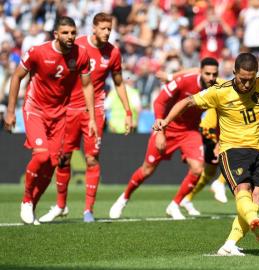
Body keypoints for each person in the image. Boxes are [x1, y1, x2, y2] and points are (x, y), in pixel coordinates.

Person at [153, 52, 259, 255]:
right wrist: (166, 122)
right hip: (232, 149)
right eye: (242, 79)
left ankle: (230, 244)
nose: (247, 85)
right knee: (244, 188)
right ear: (234, 73)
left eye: (251, 80)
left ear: (257, 75)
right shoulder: (219, 91)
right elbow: (187, 102)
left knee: (258, 194)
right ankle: (252, 221)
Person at [39, 13, 134, 223]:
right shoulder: (77, 45)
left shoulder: (113, 53)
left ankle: (88, 210)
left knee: (91, 158)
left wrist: (128, 112)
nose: (107, 32)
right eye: (103, 28)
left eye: (110, 29)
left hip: (94, 111)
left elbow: (119, 83)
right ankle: (61, 206)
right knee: (63, 159)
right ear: (93, 28)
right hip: (68, 110)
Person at [4, 16, 97, 225]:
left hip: (59, 114)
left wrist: (92, 116)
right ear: (56, 34)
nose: (70, 36)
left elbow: (87, 85)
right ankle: (26, 200)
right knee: (42, 156)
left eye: (73, 33)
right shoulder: (38, 52)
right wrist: (10, 112)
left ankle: (33, 207)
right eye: (65, 33)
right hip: (35, 109)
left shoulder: (81, 54)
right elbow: (17, 76)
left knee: (53, 164)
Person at [109, 57, 220, 220]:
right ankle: (123, 199)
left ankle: (174, 205)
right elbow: (159, 102)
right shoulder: (184, 81)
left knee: (197, 168)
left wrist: (218, 140)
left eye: (214, 74)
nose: (211, 78)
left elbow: (220, 115)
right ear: (200, 72)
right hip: (167, 127)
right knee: (147, 170)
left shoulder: (216, 90)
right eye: (207, 74)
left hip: (189, 132)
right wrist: (160, 131)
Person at [180, 108, 228, 216]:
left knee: (209, 172)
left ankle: (186, 198)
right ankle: (220, 183)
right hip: (210, 129)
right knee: (237, 153)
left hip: (213, 129)